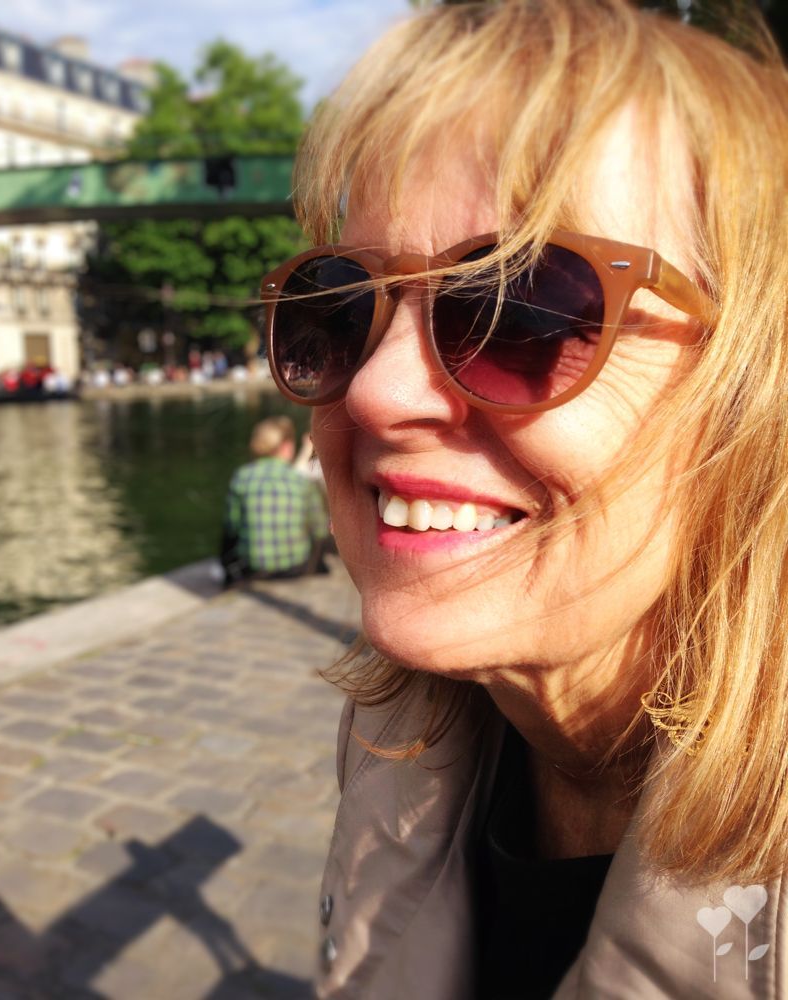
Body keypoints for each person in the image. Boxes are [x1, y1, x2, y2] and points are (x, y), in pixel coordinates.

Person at [261, 1, 788, 996]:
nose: (374, 389)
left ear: (755, 390)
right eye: (341, 305)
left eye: (519, 307)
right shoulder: (400, 755)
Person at [220, 416, 329, 584]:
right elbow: (320, 530)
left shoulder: (242, 477)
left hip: (252, 568)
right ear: (286, 446)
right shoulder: (302, 481)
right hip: (295, 567)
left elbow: (231, 527)